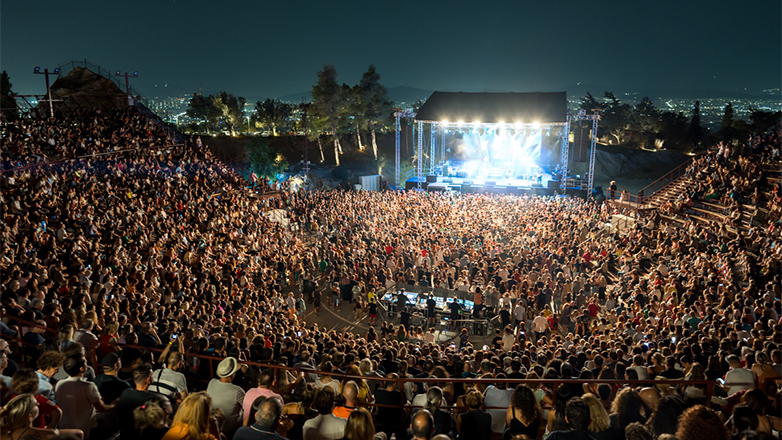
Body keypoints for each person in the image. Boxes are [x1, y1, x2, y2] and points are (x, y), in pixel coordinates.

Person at [54, 355, 116, 439]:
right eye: (86, 362)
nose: (87, 363)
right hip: (84, 428)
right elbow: (102, 409)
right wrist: (114, 404)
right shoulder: (88, 386)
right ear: (81, 369)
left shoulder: (59, 384)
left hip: (63, 426)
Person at [0, 393, 84, 440]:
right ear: (29, 416)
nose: (39, 404)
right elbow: (79, 434)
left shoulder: (3, 432)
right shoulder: (49, 434)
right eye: (36, 404)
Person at [207, 356, 246, 439]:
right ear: (232, 374)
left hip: (212, 426)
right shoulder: (237, 391)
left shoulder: (212, 382)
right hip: (231, 430)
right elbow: (246, 406)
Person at [118, 362, 158, 438]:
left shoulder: (126, 392)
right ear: (148, 379)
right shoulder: (152, 399)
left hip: (124, 435)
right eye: (152, 375)